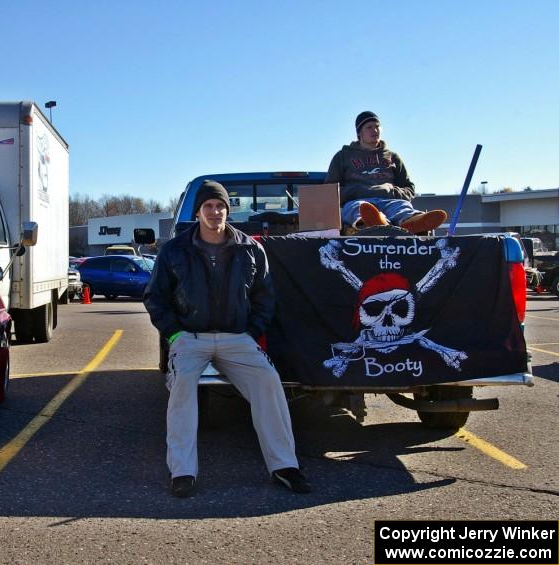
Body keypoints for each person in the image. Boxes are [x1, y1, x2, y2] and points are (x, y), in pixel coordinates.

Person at [144, 180, 310, 498]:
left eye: (220, 206)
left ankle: (285, 467)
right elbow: (155, 298)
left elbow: (265, 298)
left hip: (237, 338)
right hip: (191, 338)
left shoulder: (250, 248)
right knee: (181, 391)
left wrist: (250, 332)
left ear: (227, 211)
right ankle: (182, 471)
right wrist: (175, 334)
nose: (215, 211)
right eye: (209, 206)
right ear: (198, 212)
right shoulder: (175, 250)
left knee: (268, 382)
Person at [326, 111, 447, 234]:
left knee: (402, 208)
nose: (375, 130)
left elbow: (409, 188)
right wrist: (354, 192)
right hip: (358, 201)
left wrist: (392, 192)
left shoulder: (393, 157)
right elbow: (329, 190)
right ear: (359, 133)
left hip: (390, 200)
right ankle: (374, 224)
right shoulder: (342, 156)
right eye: (369, 127)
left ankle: (414, 223)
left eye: (377, 126)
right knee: (357, 209)